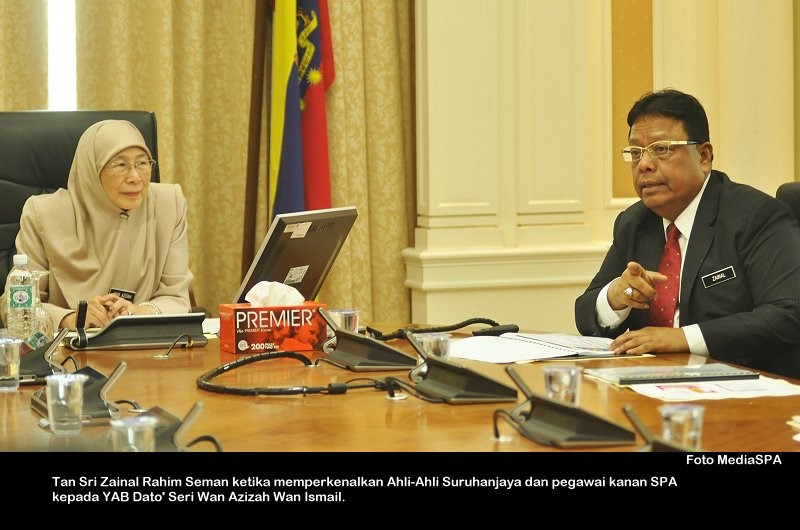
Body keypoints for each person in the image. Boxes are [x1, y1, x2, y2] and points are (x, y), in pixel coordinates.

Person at [574, 88, 800, 378]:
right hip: (650, 383)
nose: (644, 164)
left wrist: (684, 338)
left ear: (703, 156)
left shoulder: (754, 215)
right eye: (636, 152)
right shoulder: (635, 222)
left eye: (661, 149)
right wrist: (614, 297)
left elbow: (788, 313)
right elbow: (585, 312)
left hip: (745, 387)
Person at [0, 120, 193, 330]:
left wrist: (139, 312)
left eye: (142, 163)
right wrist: (73, 318)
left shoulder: (168, 203)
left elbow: (176, 295)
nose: (135, 177)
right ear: (92, 170)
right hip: (68, 344)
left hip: (143, 340)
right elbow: (15, 306)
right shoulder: (44, 213)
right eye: (121, 165)